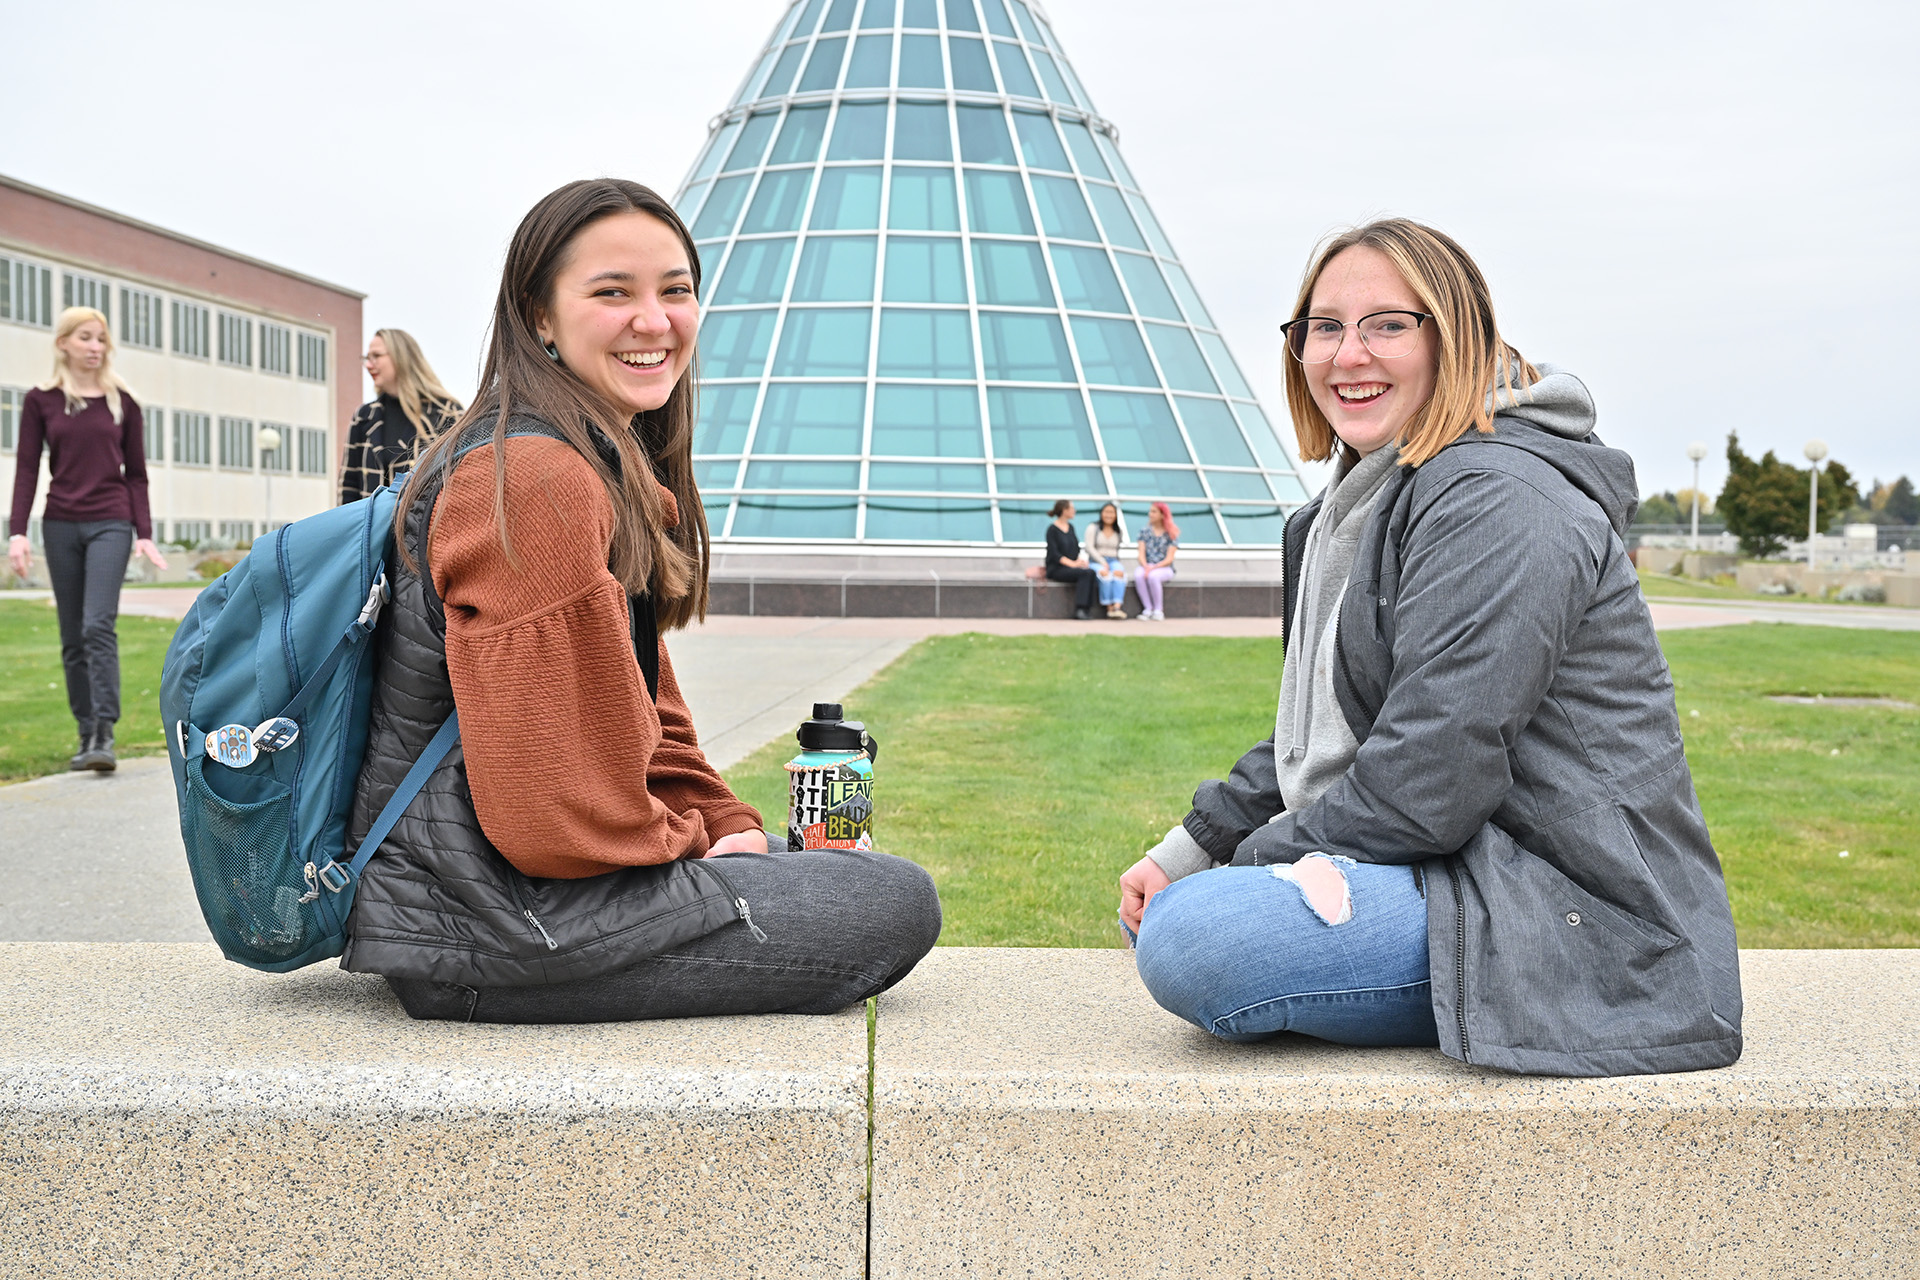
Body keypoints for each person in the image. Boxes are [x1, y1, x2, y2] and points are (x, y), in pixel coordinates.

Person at [1118, 219, 1742, 1077]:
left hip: (1580, 917)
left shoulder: (1498, 496)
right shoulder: (1344, 510)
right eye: (1324, 327)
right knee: (1183, 910)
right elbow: (1342, 722)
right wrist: (1190, 849)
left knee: (1198, 939)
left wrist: (1244, 867)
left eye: (1387, 324)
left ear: (1455, 335)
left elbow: (1431, 774)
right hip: (1461, 870)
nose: (1348, 355)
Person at [338, 179, 941, 1023]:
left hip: (501, 900)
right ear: (538, 317)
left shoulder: (589, 462)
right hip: (496, 924)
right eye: (612, 292)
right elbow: (555, 815)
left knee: (823, 866)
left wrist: (722, 819)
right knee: (894, 902)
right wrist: (701, 848)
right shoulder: (538, 481)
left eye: (676, 291)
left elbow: (649, 720)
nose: (653, 321)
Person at [7, 307, 168, 772]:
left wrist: (145, 533)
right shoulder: (42, 401)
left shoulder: (123, 403)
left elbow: (136, 475)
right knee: (72, 635)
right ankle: (84, 733)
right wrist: (18, 532)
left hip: (110, 522)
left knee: (97, 624)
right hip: (59, 524)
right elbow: (26, 469)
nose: (95, 346)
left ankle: (104, 733)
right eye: (85, 337)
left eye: (101, 338)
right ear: (63, 343)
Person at [337, 328, 463, 504]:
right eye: (367, 358)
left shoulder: (446, 413)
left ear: (400, 357)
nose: (368, 365)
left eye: (376, 356)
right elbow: (348, 487)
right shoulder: (364, 417)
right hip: (370, 530)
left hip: (423, 529)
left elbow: (459, 481)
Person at [1043, 498, 1100, 621]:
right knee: (1085, 574)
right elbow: (1054, 554)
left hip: (1071, 566)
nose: (1074, 511)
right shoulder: (1052, 530)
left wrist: (1080, 561)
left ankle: (1087, 608)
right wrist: (1073, 564)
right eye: (1072, 508)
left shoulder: (1071, 528)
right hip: (1057, 568)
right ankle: (1080, 609)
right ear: (1064, 510)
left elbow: (1075, 550)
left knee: (1090, 572)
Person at [1131, 501, 1178, 621]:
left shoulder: (1171, 534)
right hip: (1147, 565)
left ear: (1163, 515)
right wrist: (1146, 566)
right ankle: (1147, 608)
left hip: (1164, 568)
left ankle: (1158, 610)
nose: (1150, 514)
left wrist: (1154, 567)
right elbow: (1140, 554)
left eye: (1154, 511)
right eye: (1150, 511)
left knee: (1153, 577)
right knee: (1138, 574)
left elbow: (1169, 559)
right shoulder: (1144, 532)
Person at [1084, 502, 1128, 619]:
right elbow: (1089, 547)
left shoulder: (1118, 531)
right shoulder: (1093, 528)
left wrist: (1111, 564)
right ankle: (1109, 608)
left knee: (1120, 574)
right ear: (1101, 513)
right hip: (1096, 561)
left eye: (1112, 512)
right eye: (1106, 512)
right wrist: (1102, 562)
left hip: (1113, 561)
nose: (1109, 515)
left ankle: (1117, 607)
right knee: (1105, 575)